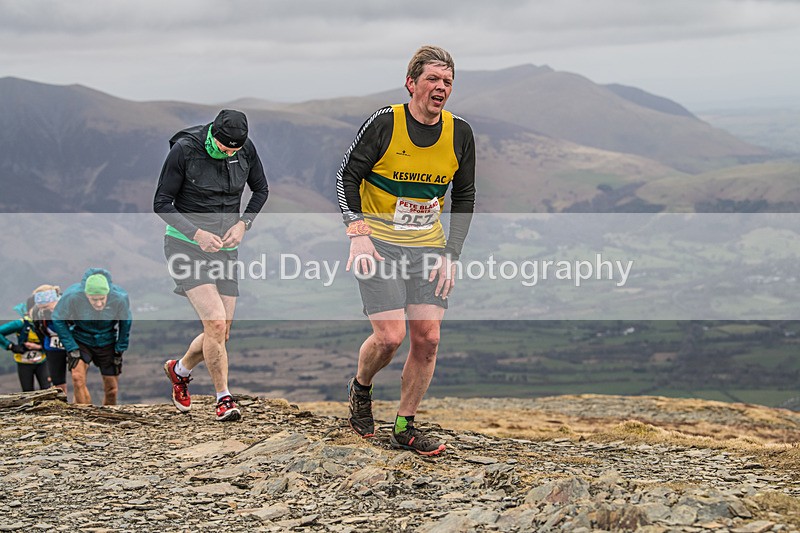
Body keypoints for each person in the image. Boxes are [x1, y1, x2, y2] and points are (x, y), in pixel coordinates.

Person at [335, 45, 476, 455]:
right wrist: (356, 231)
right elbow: (347, 176)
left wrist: (452, 253)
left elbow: (465, 195)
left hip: (428, 245)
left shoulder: (459, 132)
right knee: (390, 337)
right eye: (433, 79)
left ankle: (405, 424)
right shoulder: (386, 123)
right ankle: (361, 389)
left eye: (448, 81)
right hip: (377, 243)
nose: (441, 87)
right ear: (411, 83)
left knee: (428, 338)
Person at [154, 109, 269, 422]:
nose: (229, 153)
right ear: (212, 135)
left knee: (221, 331)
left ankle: (179, 370)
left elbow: (261, 189)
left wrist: (244, 223)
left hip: (224, 248)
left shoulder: (244, 148)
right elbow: (161, 203)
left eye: (234, 149)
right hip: (185, 244)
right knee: (215, 323)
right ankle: (224, 399)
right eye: (224, 148)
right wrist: (197, 233)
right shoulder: (185, 150)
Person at [51, 268, 132, 405]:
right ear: (86, 295)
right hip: (81, 339)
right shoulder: (73, 296)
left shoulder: (119, 297)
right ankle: (84, 416)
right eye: (94, 300)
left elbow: (126, 322)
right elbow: (58, 318)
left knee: (111, 389)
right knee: (77, 379)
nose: (99, 303)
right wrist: (71, 346)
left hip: (107, 341)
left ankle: (109, 419)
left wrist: (120, 348)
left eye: (102, 299)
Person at [0, 289, 52, 392]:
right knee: (28, 392)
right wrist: (11, 346)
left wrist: (38, 347)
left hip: (42, 360)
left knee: (47, 390)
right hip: (24, 362)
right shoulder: (21, 323)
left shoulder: (46, 322)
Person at [29, 285, 70, 396]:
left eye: (47, 307)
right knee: (57, 382)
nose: (45, 310)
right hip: (52, 346)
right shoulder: (36, 312)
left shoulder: (67, 308)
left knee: (78, 377)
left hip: (72, 343)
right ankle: (62, 407)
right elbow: (39, 331)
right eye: (42, 307)